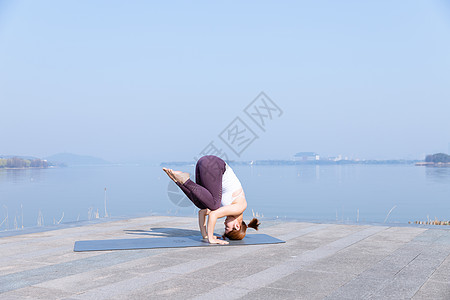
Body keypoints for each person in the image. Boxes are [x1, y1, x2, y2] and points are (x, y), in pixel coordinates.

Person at [163, 155, 260, 245]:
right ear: (237, 226)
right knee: (214, 205)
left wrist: (205, 234)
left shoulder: (230, 209)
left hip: (203, 163)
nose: (224, 223)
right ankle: (186, 181)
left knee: (201, 204)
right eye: (227, 227)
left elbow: (202, 212)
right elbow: (213, 214)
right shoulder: (240, 207)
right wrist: (211, 238)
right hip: (214, 165)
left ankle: (178, 180)